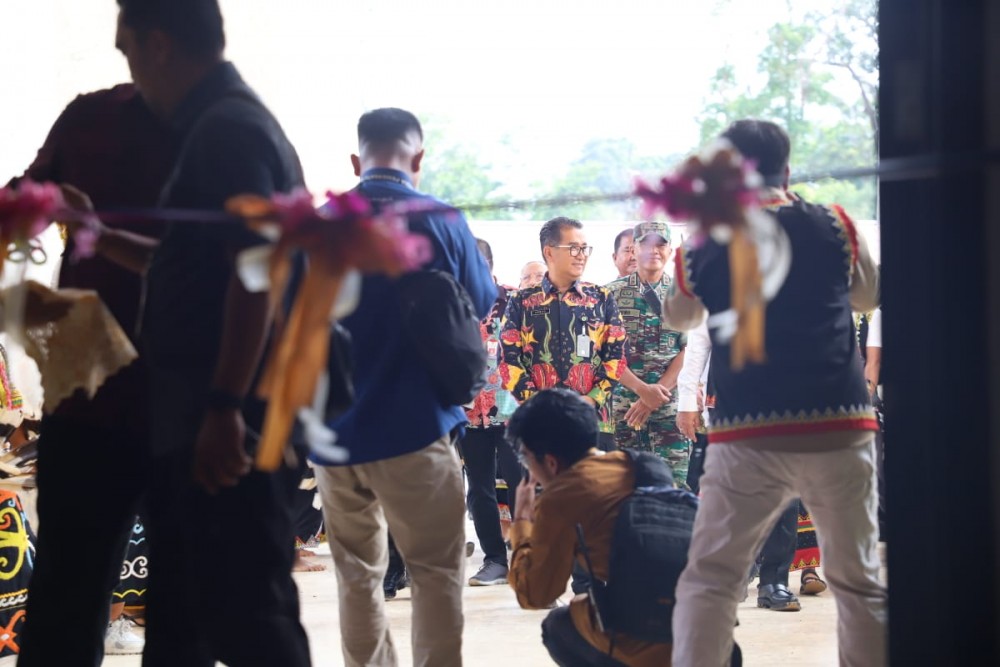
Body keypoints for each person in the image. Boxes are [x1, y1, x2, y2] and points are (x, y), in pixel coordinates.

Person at [57, 2, 312, 664]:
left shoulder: (227, 129)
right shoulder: (217, 125)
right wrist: (103, 237)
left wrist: (225, 406)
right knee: (210, 617)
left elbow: (253, 272)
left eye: (130, 52)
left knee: (250, 618)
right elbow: (189, 265)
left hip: (236, 416)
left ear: (160, 45)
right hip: (211, 411)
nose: (132, 74)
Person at [666, 119, 884, 666]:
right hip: (840, 423)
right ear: (786, 169)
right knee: (857, 580)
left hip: (748, 431)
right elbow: (868, 296)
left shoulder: (704, 240)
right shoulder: (836, 224)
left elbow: (679, 313)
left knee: (711, 580)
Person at [313, 107, 494, 667]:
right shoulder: (440, 219)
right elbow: (481, 302)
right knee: (436, 573)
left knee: (356, 575)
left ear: (355, 160)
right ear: (417, 159)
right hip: (417, 428)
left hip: (335, 436)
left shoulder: (319, 224)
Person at [12, 81, 175, 665]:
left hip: (138, 382)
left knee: (72, 592)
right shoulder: (94, 116)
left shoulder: (224, 123)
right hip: (137, 380)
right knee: (81, 594)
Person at [506, 387, 675, 667]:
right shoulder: (644, 466)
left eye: (527, 459)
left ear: (550, 461)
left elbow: (536, 594)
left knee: (559, 625)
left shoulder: (562, 496)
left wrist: (522, 522)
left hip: (656, 649)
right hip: (713, 638)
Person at [499, 217, 626, 450]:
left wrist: (592, 400)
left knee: (594, 485)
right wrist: (538, 406)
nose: (582, 255)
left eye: (585, 248)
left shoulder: (601, 298)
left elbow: (616, 358)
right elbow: (508, 360)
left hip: (593, 422)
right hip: (539, 424)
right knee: (544, 487)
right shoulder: (522, 301)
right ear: (549, 252)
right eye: (574, 248)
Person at [606, 222, 689, 483]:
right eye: (646, 244)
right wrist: (642, 391)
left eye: (661, 244)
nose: (654, 250)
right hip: (625, 406)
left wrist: (657, 393)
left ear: (670, 250)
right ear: (635, 249)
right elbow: (605, 352)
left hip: (669, 407)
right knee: (626, 487)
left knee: (673, 485)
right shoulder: (609, 294)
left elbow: (689, 349)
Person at [462, 238, 521, 586]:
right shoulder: (453, 304)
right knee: (479, 489)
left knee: (520, 483)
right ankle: (495, 560)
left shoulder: (515, 301)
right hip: (468, 413)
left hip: (512, 409)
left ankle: (528, 556)